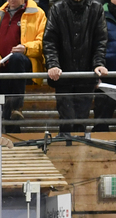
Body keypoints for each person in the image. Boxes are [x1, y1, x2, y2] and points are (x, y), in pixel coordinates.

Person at [43, 0, 109, 134]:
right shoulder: (57, 8)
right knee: (67, 119)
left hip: (86, 76)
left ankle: (78, 153)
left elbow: (100, 41)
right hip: (63, 75)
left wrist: (98, 63)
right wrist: (53, 64)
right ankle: (65, 151)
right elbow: (49, 41)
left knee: (81, 121)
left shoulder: (96, 9)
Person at [0, 0, 46, 123]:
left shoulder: (38, 13)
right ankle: (11, 128)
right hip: (0, 65)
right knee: (5, 114)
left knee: (16, 58)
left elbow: (43, 41)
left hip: (25, 63)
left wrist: (26, 48)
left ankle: (17, 106)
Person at [94, 0, 116, 131]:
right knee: (102, 121)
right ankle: (96, 151)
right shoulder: (99, 13)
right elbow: (92, 44)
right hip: (106, 75)